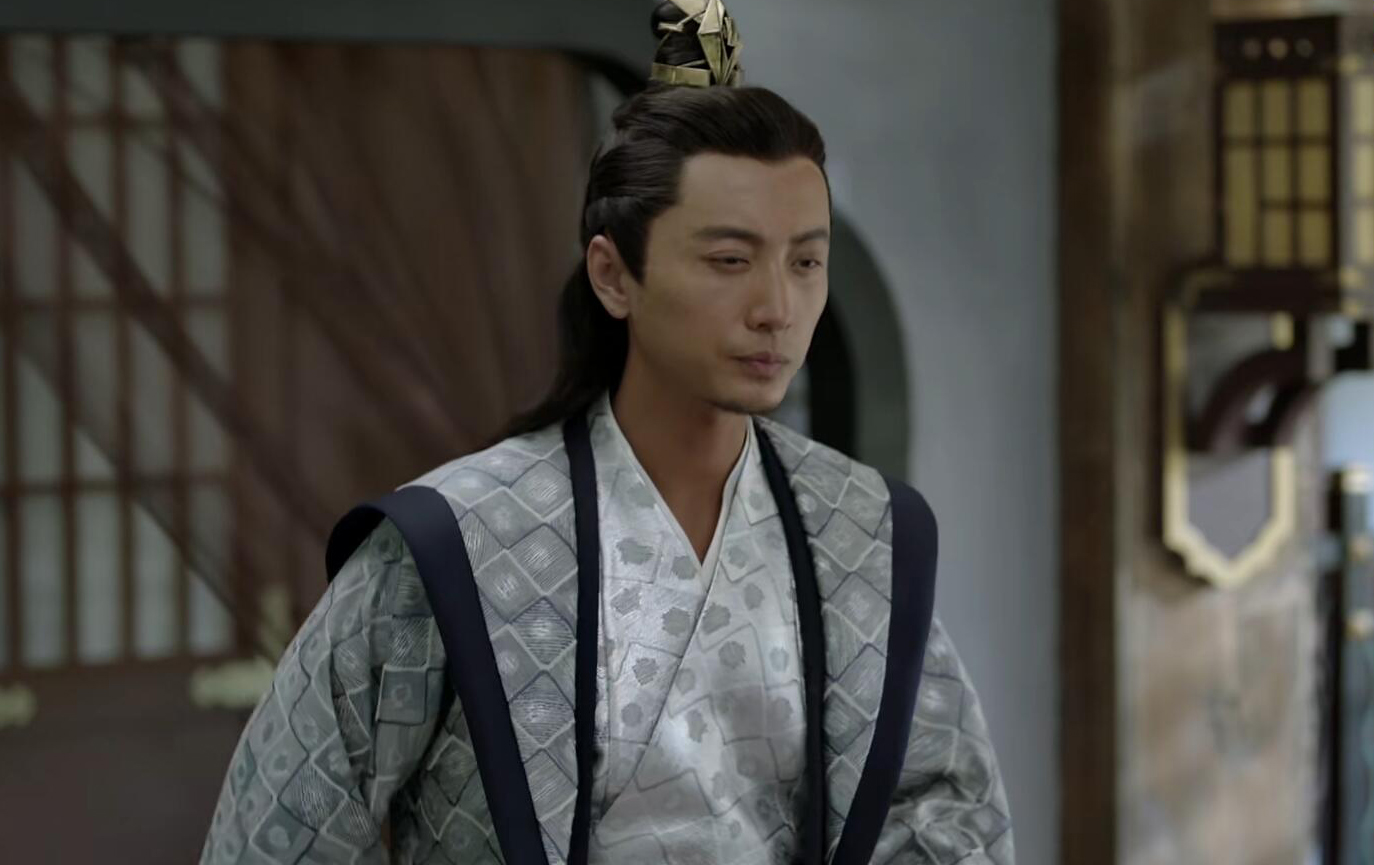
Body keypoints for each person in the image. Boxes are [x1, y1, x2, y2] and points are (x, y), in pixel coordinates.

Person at [199, 1, 1013, 862]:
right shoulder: (461, 538)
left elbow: (947, 813)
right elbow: (278, 829)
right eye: (729, 260)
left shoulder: (860, 530)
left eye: (805, 262)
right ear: (613, 274)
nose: (777, 307)